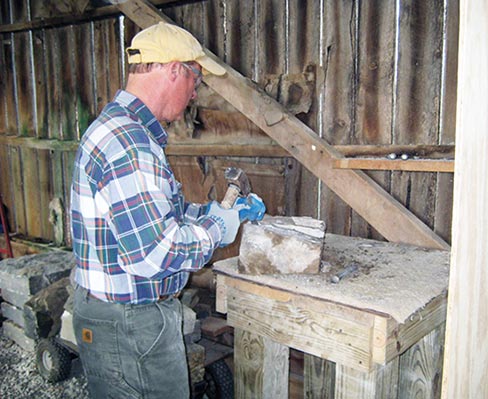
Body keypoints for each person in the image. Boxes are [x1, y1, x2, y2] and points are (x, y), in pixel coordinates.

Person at [70, 21, 265, 398]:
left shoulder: (122, 130)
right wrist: (216, 229)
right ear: (175, 69)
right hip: (131, 324)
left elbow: (158, 217)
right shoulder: (130, 144)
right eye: (195, 78)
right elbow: (154, 253)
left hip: (119, 318)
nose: (195, 92)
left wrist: (222, 211)